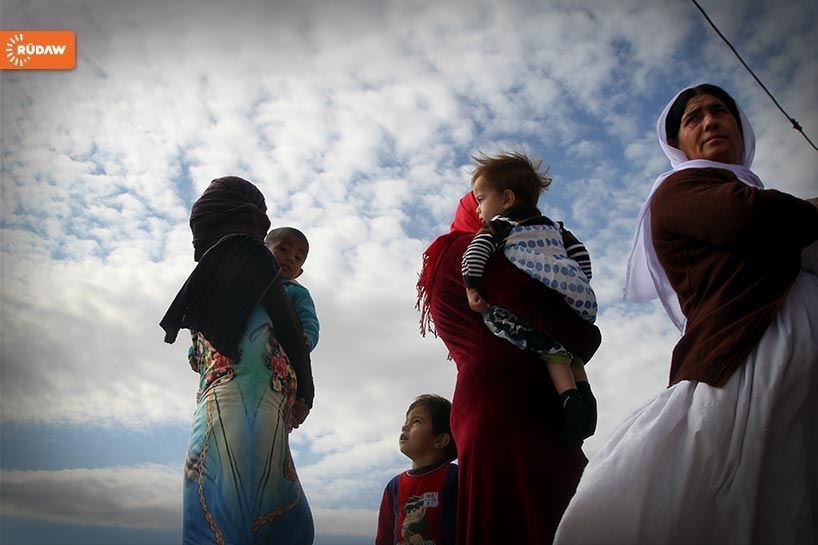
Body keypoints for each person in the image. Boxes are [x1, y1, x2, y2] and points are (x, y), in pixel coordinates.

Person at [554, 84, 818, 544]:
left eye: (720, 112)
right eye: (693, 118)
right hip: (745, 367)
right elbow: (750, 220)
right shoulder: (679, 190)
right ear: (678, 143)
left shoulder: (763, 198)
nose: (710, 121)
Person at [416, 190, 602, 545]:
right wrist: (585, 335)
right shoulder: (471, 250)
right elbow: (531, 299)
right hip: (515, 402)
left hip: (486, 400)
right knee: (546, 512)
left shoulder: (442, 260)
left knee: (504, 516)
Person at [160, 176, 316, 545]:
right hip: (229, 399)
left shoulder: (246, 256)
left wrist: (306, 389)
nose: (200, 225)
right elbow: (204, 329)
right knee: (229, 496)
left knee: (230, 499)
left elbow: (295, 331)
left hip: (248, 400)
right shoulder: (223, 266)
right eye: (284, 250)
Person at [461, 151, 598, 444]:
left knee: (549, 346)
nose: (477, 209)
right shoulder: (556, 227)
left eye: (481, 199)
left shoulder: (501, 226)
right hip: (578, 296)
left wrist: (472, 288)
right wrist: (580, 281)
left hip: (540, 294)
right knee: (570, 343)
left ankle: (570, 398)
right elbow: (580, 255)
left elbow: (474, 254)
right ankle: (585, 390)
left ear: (507, 199)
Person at [375, 394, 458, 545]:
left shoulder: (456, 477)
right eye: (406, 421)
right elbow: (383, 537)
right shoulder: (394, 486)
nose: (404, 426)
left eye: (416, 421)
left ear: (440, 440)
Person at [265, 227, 319, 353]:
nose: (290, 258)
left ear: (298, 273)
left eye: (298, 258)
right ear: (263, 249)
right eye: (283, 249)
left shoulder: (297, 292)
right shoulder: (246, 279)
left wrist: (306, 339)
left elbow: (309, 320)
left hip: (275, 356)